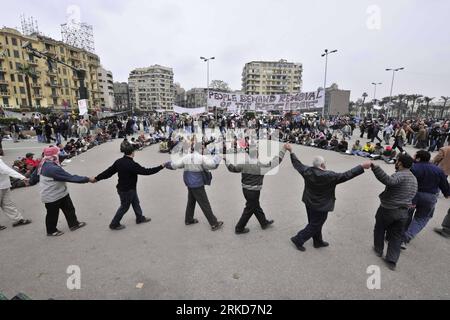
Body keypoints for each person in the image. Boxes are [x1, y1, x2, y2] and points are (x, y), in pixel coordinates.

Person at [285, 144, 370, 251]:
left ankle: (318, 241)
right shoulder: (330, 176)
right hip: (321, 205)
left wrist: (291, 151)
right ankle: (298, 239)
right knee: (315, 224)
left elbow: (297, 163)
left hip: (309, 202)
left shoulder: (307, 171)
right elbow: (347, 175)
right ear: (323, 165)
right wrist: (361, 166)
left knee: (314, 222)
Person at [94, 144, 166, 230]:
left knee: (135, 202)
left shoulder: (118, 161)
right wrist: (161, 167)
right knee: (124, 207)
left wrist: (97, 178)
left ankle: (139, 218)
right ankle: (114, 224)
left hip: (124, 188)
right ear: (132, 152)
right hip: (127, 190)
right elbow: (147, 171)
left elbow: (108, 172)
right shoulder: (132, 164)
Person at [370, 154, 418, 271]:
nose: (395, 163)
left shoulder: (400, 175)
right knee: (396, 236)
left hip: (388, 209)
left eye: (397, 161)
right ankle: (392, 260)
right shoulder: (413, 178)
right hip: (403, 213)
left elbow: (389, 181)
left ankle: (378, 249)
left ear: (400, 163)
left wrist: (375, 168)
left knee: (380, 228)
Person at [225, 144, 287, 234]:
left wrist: (227, 161)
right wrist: (283, 149)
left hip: (245, 190)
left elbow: (233, 169)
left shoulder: (243, 163)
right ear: (257, 154)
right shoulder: (261, 166)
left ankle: (263, 222)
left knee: (255, 206)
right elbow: (275, 162)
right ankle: (239, 228)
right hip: (255, 191)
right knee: (249, 209)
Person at [33, 146, 94, 237]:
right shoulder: (52, 168)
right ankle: (51, 231)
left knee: (69, 209)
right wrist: (88, 179)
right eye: (58, 154)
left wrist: (30, 181)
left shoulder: (44, 163)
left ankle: (74, 224)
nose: (60, 156)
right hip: (51, 196)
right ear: (54, 155)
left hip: (61, 192)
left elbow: (35, 176)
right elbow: (70, 178)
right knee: (52, 214)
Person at [165, 140, 224, 231]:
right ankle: (214, 223)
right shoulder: (201, 158)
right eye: (204, 148)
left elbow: (176, 165)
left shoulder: (187, 157)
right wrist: (218, 156)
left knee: (191, 202)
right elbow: (212, 165)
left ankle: (189, 219)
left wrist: (167, 164)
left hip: (189, 183)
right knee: (205, 204)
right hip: (198, 184)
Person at [403, 150, 450, 247]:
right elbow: (444, 185)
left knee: (406, 213)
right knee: (422, 218)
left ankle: (399, 234)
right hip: (429, 198)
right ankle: (407, 236)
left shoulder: (413, 168)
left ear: (418, 158)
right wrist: (446, 193)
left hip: (413, 196)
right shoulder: (438, 170)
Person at [0, 157, 32, 231]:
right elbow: (6, 170)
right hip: (2, 186)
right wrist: (22, 177)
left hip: (4, 185)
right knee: (8, 204)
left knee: (8, 204)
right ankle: (18, 220)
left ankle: (17, 220)